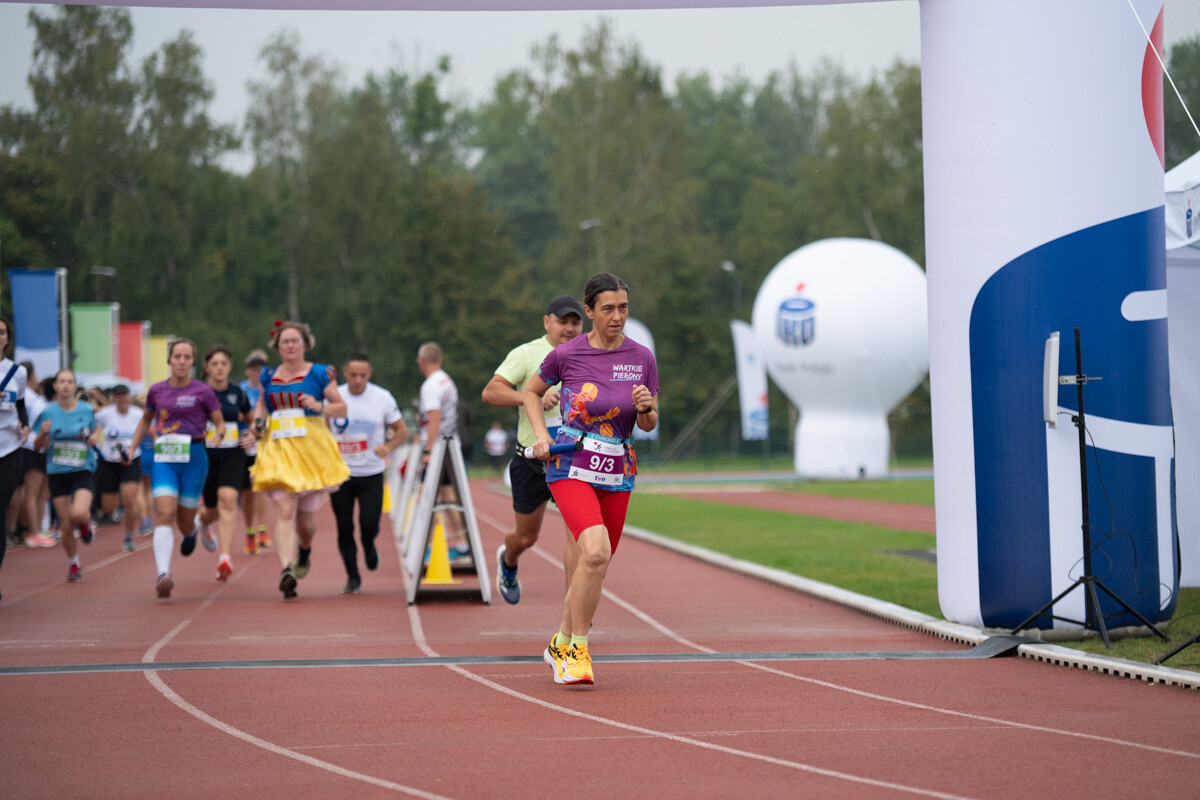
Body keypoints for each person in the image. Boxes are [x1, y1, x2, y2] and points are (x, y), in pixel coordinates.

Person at [526, 273, 659, 686]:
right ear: (589, 311)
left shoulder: (642, 357)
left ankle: (561, 642)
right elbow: (531, 392)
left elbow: (649, 424)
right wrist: (542, 436)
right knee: (595, 551)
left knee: (595, 563)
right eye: (608, 309)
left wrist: (645, 408)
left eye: (623, 308)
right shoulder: (567, 354)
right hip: (571, 465)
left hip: (617, 469)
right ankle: (578, 651)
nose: (617, 317)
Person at [481, 294, 584, 605]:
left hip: (572, 459)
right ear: (546, 322)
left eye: (575, 322)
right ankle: (509, 559)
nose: (569, 328)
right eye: (562, 321)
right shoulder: (526, 354)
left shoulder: (588, 353)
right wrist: (532, 397)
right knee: (526, 537)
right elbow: (490, 392)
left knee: (577, 537)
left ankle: (575, 610)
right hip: (532, 460)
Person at [250, 321, 348, 599]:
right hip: (278, 449)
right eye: (285, 342)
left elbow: (341, 407)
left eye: (295, 341)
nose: (290, 346)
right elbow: (262, 404)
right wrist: (257, 422)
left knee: (305, 523)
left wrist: (320, 406)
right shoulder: (268, 375)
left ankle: (304, 549)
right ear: (277, 346)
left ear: (305, 344)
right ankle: (286, 569)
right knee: (284, 510)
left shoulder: (319, 373)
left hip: (310, 451)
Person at [127, 339, 225, 599]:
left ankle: (194, 527)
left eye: (187, 357)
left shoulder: (203, 391)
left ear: (193, 362)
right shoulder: (157, 391)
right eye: (177, 356)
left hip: (194, 458)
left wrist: (218, 435)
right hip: (165, 458)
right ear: (169, 360)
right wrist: (132, 448)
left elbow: (219, 423)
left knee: (184, 522)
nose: (181, 362)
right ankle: (163, 574)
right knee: (164, 513)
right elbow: (145, 420)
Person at [329, 351, 407, 595]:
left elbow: (402, 430)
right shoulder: (333, 396)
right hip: (340, 475)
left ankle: (369, 543)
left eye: (363, 375)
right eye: (353, 375)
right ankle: (352, 577)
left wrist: (389, 447)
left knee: (368, 525)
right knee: (344, 527)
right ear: (345, 373)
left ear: (369, 374)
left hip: (372, 473)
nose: (358, 380)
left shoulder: (382, 397)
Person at [33, 369, 99, 583]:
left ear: (75, 386)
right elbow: (37, 447)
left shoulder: (86, 410)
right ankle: (74, 563)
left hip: (82, 468)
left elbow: (96, 432)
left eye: (69, 382)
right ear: (55, 386)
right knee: (66, 524)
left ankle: (85, 525)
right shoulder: (47, 412)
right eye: (61, 381)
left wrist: (94, 438)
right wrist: (43, 434)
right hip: (57, 471)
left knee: (79, 512)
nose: (65, 385)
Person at [196, 347, 255, 582]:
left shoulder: (238, 393)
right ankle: (203, 524)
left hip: (233, 454)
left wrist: (251, 434)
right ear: (207, 368)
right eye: (215, 364)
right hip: (205, 456)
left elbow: (251, 421)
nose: (219, 367)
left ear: (229, 367)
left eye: (223, 363)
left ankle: (225, 558)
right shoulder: (199, 393)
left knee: (228, 501)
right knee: (212, 510)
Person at [415, 342, 465, 554]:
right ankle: (461, 542)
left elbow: (434, 419)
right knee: (447, 495)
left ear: (421, 361)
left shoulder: (430, 386)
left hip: (438, 449)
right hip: (448, 445)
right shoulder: (446, 380)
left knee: (424, 496)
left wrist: (427, 451)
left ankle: (431, 545)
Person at [0, 316, 31, 595]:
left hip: (9, 450)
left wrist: (25, 423)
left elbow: (20, 403)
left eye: (1, 332)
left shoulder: (17, 372)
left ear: (7, 338)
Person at [94, 384, 144, 552]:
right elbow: (94, 427)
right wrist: (94, 436)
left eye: (124, 395)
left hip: (131, 460)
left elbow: (148, 428)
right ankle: (110, 514)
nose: (122, 399)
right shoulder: (105, 414)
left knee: (130, 499)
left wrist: (157, 438)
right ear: (114, 398)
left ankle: (129, 536)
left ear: (129, 397)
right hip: (109, 462)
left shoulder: (138, 414)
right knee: (108, 507)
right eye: (118, 396)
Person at [12, 362, 54, 548]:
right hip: (30, 446)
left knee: (39, 493)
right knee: (32, 492)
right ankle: (32, 531)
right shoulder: (32, 399)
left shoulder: (34, 398)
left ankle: (37, 529)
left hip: (35, 447)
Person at [238, 348, 272, 554]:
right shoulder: (240, 390)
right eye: (253, 369)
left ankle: (263, 529)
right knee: (247, 493)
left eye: (261, 369)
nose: (257, 373)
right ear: (247, 371)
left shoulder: (269, 390)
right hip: (243, 445)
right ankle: (250, 531)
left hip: (262, 444)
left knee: (259, 487)